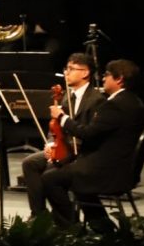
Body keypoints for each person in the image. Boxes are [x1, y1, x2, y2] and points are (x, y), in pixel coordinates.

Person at [42, 59, 144, 229]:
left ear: (119, 79)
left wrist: (62, 117)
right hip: (120, 167)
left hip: (106, 170)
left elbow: (87, 133)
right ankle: (102, 227)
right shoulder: (134, 101)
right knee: (69, 175)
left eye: (107, 75)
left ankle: (71, 228)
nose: (103, 78)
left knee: (50, 179)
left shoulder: (114, 105)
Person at [20, 54, 105, 216]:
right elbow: (55, 127)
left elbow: (90, 132)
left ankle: (66, 219)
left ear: (85, 73)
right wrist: (51, 144)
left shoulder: (96, 100)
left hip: (81, 152)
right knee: (30, 163)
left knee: (50, 172)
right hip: (64, 148)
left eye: (71, 69)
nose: (66, 72)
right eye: (66, 68)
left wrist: (63, 123)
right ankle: (38, 215)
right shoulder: (67, 96)